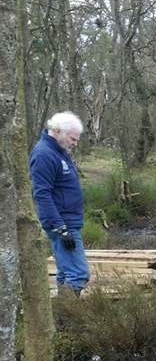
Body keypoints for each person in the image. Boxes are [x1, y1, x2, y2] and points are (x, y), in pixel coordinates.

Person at [29, 111, 89, 295]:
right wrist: (61, 228)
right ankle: (70, 318)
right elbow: (42, 194)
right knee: (78, 273)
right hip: (62, 222)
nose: (75, 143)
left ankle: (62, 317)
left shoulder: (60, 152)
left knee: (65, 272)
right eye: (73, 139)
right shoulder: (44, 155)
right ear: (57, 131)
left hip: (68, 220)